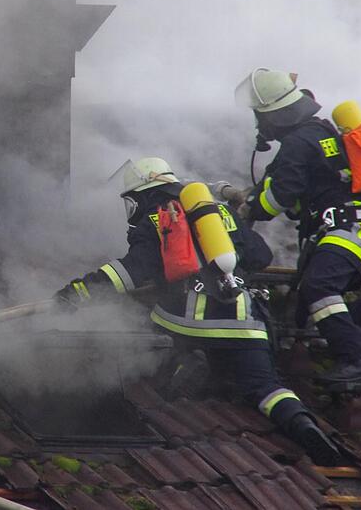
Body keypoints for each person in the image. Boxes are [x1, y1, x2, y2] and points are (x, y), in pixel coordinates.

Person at [54, 157, 343, 466]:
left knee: (145, 346)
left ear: (145, 193)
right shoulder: (221, 212)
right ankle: (302, 424)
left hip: (185, 323)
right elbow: (261, 255)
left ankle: (183, 368)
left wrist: (80, 291)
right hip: (243, 323)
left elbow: (130, 272)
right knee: (265, 386)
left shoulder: (157, 218)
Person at [233, 68, 361, 384]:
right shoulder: (320, 133)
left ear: (274, 115)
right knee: (305, 314)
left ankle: (356, 362)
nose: (259, 125)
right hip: (345, 229)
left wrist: (250, 209)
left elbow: (279, 196)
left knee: (319, 289)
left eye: (260, 116)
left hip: (339, 230)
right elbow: (277, 180)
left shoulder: (296, 144)